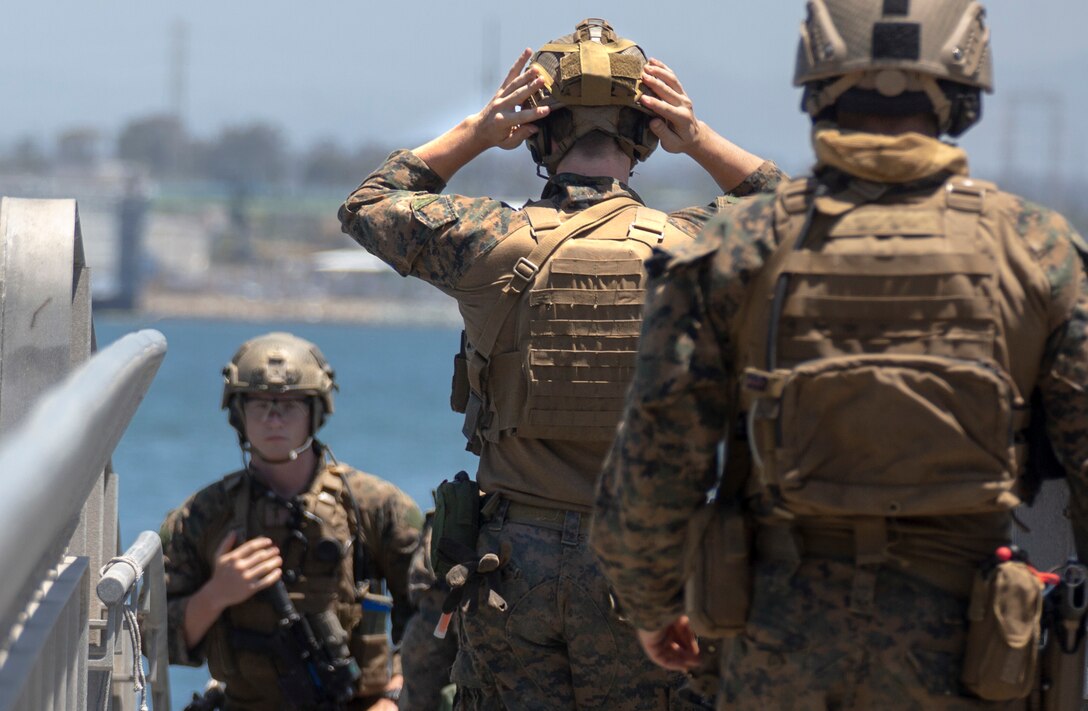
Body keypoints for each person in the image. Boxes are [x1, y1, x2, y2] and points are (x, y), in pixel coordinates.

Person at [592, 1, 1088, 709]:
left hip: (776, 645)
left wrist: (651, 607)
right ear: (966, 91)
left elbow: (653, 466)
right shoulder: (1040, 251)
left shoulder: (736, 248)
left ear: (816, 86)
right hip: (973, 651)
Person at [338, 17, 782, 710]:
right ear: (644, 134)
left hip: (511, 564)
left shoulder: (490, 241)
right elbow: (800, 213)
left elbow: (368, 204)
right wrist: (695, 138)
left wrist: (481, 130)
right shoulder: (695, 244)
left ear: (541, 136)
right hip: (643, 560)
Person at [160, 332, 424, 710]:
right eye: (259, 404)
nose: (273, 418)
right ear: (238, 413)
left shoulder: (374, 505)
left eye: (290, 404)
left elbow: (432, 616)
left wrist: (394, 694)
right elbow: (154, 638)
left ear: (315, 412)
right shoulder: (204, 514)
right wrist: (217, 593)